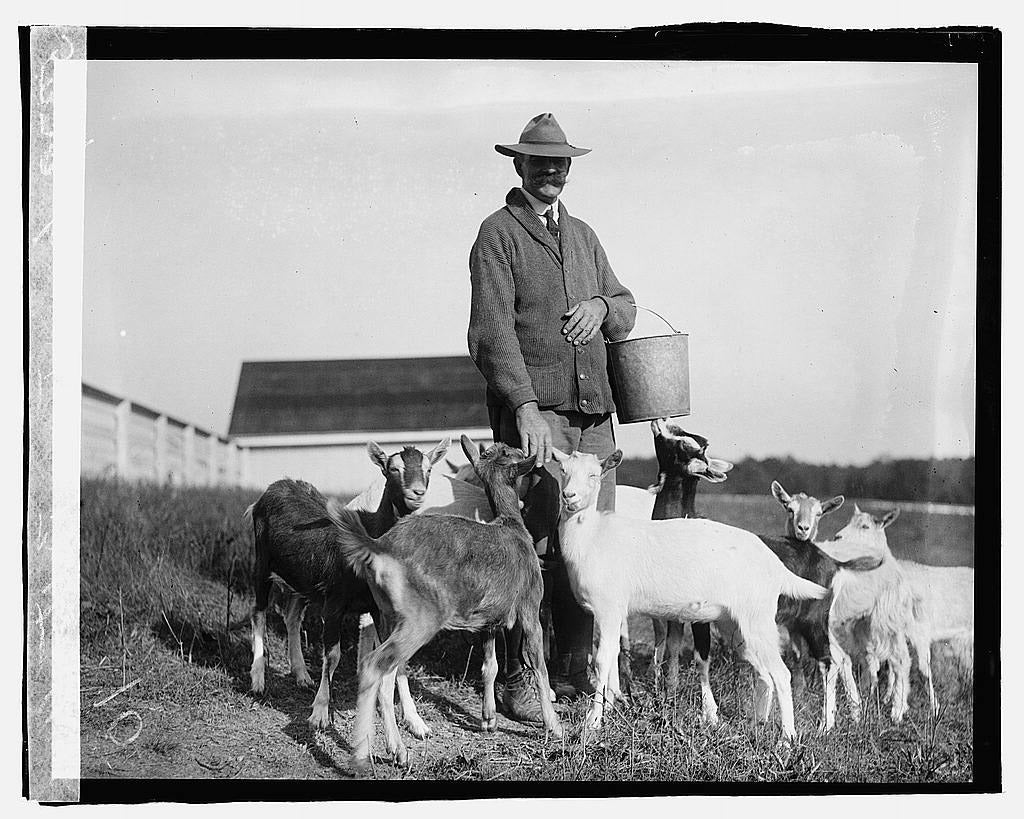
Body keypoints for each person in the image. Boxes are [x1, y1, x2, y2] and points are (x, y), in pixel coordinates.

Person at [467, 112, 637, 724]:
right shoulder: (498, 235)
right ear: (518, 165)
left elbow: (627, 305)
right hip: (540, 422)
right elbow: (490, 335)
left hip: (594, 420)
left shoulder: (585, 236)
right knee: (530, 549)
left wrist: (599, 305)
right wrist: (525, 409)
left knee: (589, 548)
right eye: (540, 162)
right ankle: (519, 679)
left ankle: (579, 674)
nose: (551, 172)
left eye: (561, 163)